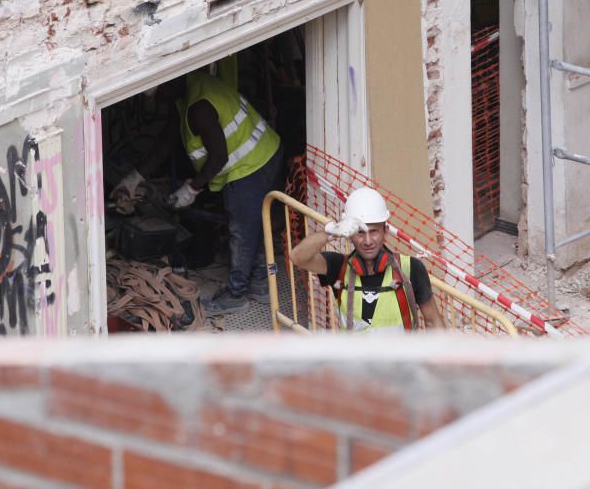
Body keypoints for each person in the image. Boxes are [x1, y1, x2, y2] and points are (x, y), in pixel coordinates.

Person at [113, 70, 283, 316]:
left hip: (252, 164)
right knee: (254, 222)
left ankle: (236, 295)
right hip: (266, 150)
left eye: (158, 95)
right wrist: (134, 178)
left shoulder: (199, 108)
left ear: (168, 84)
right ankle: (259, 283)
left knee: (242, 230)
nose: (159, 102)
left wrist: (191, 189)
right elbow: (166, 142)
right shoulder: (190, 89)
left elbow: (219, 158)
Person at [289, 187, 444, 331]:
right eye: (360, 233)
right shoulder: (339, 267)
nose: (368, 241)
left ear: (385, 231)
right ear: (349, 234)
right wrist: (331, 233)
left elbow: (432, 321)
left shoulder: (411, 268)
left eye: (374, 231)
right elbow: (297, 257)